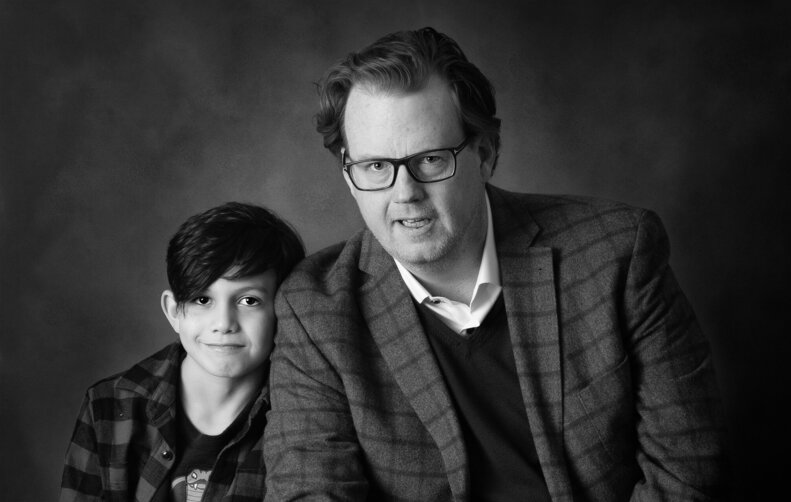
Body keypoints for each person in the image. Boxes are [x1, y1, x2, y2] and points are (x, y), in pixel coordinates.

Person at [265, 27, 726, 501]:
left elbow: (687, 469)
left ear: (484, 154)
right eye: (376, 166)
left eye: (430, 159)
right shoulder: (315, 309)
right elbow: (308, 490)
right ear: (349, 172)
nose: (405, 194)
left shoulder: (617, 255)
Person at [60, 202, 304, 501]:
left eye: (249, 301)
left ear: (283, 310)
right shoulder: (110, 406)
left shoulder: (303, 414)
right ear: (173, 311)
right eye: (202, 300)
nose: (224, 324)